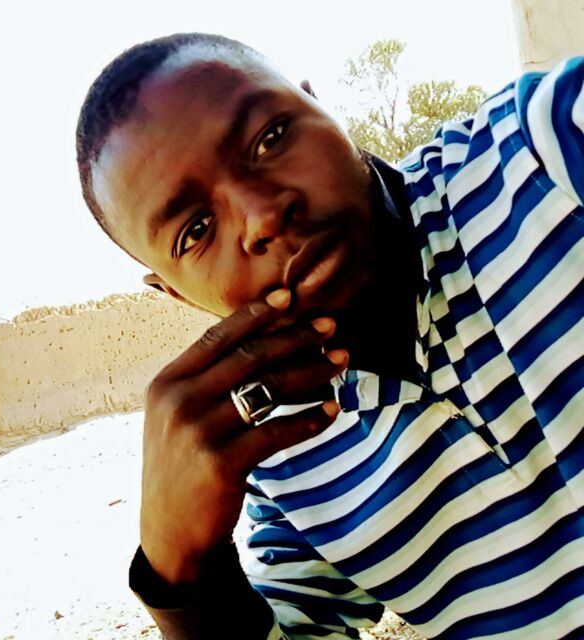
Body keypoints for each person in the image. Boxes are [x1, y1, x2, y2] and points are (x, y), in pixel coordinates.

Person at [75, 33, 584, 640]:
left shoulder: (541, 152)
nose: (263, 217)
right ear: (176, 294)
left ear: (322, 108)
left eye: (270, 138)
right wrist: (181, 570)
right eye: (197, 230)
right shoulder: (282, 459)